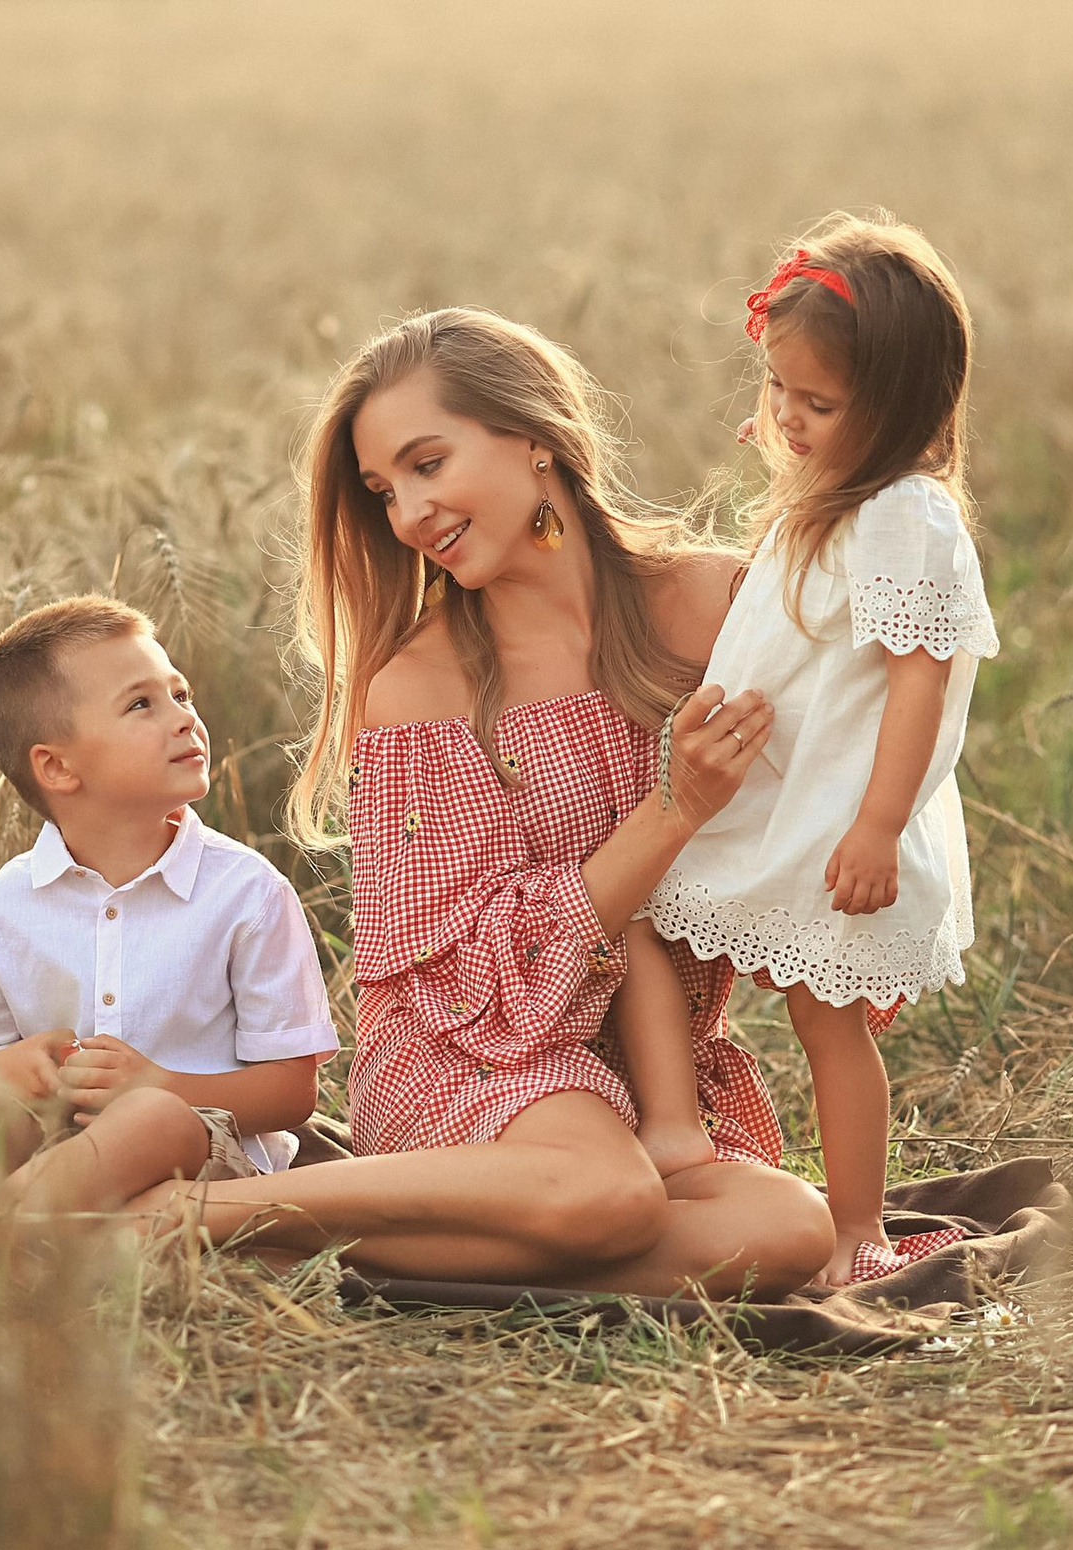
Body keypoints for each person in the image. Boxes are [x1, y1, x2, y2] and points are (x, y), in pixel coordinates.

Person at [122, 307, 836, 1299]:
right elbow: (462, 978)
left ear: (533, 434)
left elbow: (837, 790)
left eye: (428, 464)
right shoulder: (421, 687)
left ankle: (325, 1240)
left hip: (651, 1074)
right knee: (606, 1192)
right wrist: (671, 813)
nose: (409, 513)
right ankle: (193, 1215)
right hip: (466, 1055)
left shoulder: (716, 607)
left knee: (788, 1228)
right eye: (384, 491)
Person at [626, 211, 1001, 1287]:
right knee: (637, 911)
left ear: (900, 410)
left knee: (827, 1021)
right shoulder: (836, 492)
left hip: (835, 815)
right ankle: (677, 1134)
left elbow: (920, 680)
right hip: (770, 795)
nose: (787, 415)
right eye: (776, 388)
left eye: (819, 404)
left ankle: (855, 1226)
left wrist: (878, 826)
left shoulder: (905, 517)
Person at [0, 596, 339, 1231]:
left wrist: (162, 1085)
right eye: (141, 705)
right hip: (44, 1160)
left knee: (151, 1118)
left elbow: (292, 1093)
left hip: (203, 1170)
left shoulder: (248, 893)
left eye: (181, 694)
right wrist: (2, 1071)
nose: (183, 719)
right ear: (57, 767)